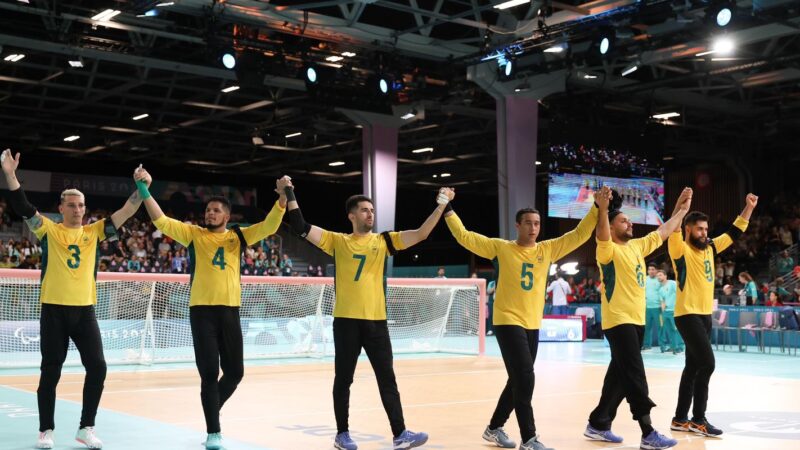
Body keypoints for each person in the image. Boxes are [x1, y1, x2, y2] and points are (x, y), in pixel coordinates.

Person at [282, 180, 450, 450]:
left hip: (376, 323)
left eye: (371, 209)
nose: (370, 213)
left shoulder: (384, 241)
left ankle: (400, 434)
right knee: (343, 380)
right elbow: (300, 226)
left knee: (388, 379)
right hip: (347, 322)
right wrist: (289, 192)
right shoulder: (337, 241)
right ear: (351, 215)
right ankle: (342, 434)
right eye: (364, 210)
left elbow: (421, 233)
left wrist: (442, 205)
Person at [1, 149, 149, 449]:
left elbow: (128, 209)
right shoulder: (49, 231)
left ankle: (86, 427)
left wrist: (142, 186)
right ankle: (46, 430)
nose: (78, 209)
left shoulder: (95, 232)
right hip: (54, 311)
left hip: (85, 312)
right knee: (50, 371)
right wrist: (10, 175)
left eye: (81, 205)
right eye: (72, 205)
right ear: (61, 207)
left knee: (98, 367)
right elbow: (23, 206)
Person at [135, 169, 287, 450]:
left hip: (229, 311)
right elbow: (161, 220)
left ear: (227, 216)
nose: (210, 213)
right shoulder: (193, 234)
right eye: (208, 210)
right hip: (201, 312)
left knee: (236, 373)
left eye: (216, 210)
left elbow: (269, 227)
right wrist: (144, 189)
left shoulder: (238, 237)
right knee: (208, 374)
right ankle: (213, 432)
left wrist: (282, 199)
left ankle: (211, 408)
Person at [445, 186, 601, 450]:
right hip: (507, 320)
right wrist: (447, 208)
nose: (533, 228)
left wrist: (596, 208)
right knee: (526, 378)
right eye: (528, 223)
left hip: (532, 323)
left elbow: (580, 234)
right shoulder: (501, 248)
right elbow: (465, 236)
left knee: (517, 379)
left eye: (537, 223)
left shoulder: (548, 249)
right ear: (517, 225)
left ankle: (494, 427)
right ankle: (529, 438)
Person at [584, 187, 692, 450]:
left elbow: (664, 230)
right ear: (610, 226)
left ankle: (598, 422)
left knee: (620, 376)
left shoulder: (637, 246)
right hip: (618, 320)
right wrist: (604, 208)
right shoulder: (606, 250)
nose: (629, 222)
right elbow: (601, 231)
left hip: (636, 319)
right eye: (623, 220)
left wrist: (681, 211)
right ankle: (647, 432)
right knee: (634, 373)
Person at [668, 195, 756, 437]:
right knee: (708, 364)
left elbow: (735, 232)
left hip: (705, 315)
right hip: (687, 314)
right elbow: (673, 226)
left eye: (706, 229)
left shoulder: (710, 247)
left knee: (692, 368)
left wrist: (748, 207)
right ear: (688, 229)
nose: (705, 232)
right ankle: (698, 419)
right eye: (699, 229)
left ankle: (679, 418)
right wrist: (681, 207)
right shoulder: (680, 249)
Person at [655, 270, 683, 354]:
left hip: (674, 311)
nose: (659, 277)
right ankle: (674, 347)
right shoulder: (660, 289)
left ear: (665, 276)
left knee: (676, 330)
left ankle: (680, 347)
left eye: (660, 275)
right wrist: (663, 313)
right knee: (670, 330)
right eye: (657, 276)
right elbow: (662, 301)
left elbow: (679, 294)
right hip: (666, 312)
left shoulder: (672, 283)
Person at [642, 264, 662, 350]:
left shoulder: (660, 279)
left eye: (653, 269)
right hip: (647, 307)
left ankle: (663, 345)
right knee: (646, 328)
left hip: (658, 308)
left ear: (657, 271)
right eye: (649, 269)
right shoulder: (644, 279)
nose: (651, 271)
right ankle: (646, 345)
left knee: (661, 327)